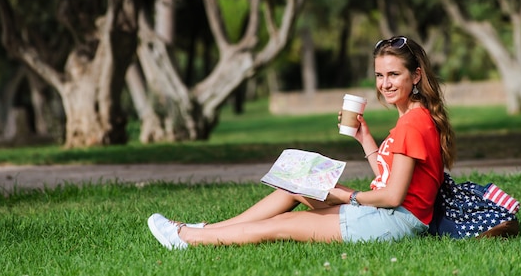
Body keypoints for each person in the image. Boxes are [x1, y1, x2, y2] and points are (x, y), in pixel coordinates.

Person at [148, 36, 456, 249]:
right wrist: (365, 139)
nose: (384, 84)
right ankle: (204, 229)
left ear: (415, 76)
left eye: (393, 74)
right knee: (291, 189)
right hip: (392, 214)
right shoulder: (415, 118)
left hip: (391, 221)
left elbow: (391, 196)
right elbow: (389, 177)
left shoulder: (413, 124)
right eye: (379, 75)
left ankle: (188, 239)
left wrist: (346, 196)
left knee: (282, 224)